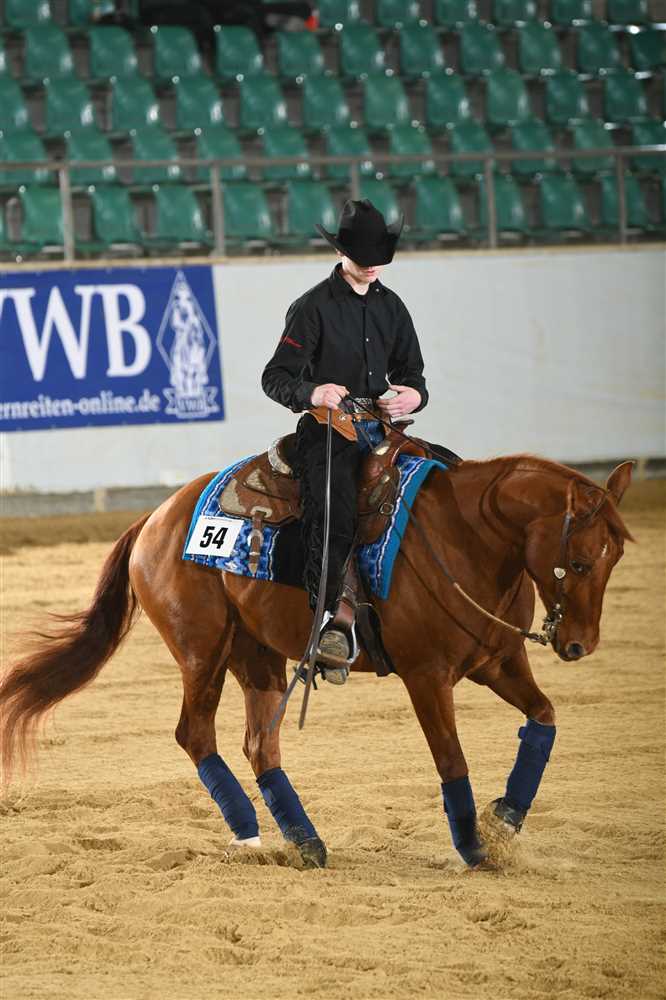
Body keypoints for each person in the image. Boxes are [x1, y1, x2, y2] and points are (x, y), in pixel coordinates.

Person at [262, 200, 428, 684]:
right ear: (341, 252)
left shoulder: (392, 306)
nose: (372, 264)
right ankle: (330, 620)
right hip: (328, 430)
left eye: (379, 257)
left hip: (383, 426)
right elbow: (276, 377)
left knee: (441, 476)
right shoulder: (311, 307)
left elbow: (413, 373)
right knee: (333, 510)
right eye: (363, 256)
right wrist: (313, 392)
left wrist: (414, 396)